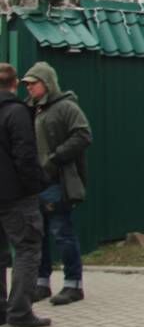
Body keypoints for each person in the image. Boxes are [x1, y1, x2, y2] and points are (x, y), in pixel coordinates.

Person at [22, 62, 91, 306]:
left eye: (33, 83)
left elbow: (83, 135)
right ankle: (41, 282)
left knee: (62, 232)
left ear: (47, 83)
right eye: (26, 84)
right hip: (35, 184)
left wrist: (55, 158)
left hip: (56, 182)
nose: (28, 88)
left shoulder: (66, 107)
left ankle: (73, 284)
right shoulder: (30, 110)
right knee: (37, 235)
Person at [0, 63, 49, 327]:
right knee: (28, 249)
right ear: (15, 83)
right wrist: (34, 187)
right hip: (16, 196)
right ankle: (19, 312)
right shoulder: (17, 112)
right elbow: (25, 156)